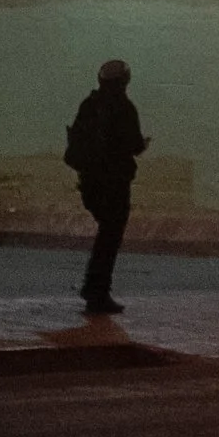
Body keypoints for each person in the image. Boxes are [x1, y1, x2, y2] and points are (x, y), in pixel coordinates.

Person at [64, 57, 147, 314]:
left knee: (105, 234)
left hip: (90, 181)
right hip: (115, 182)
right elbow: (133, 144)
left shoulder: (89, 104)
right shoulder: (124, 108)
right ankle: (97, 291)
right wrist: (142, 145)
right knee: (110, 237)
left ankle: (94, 288)